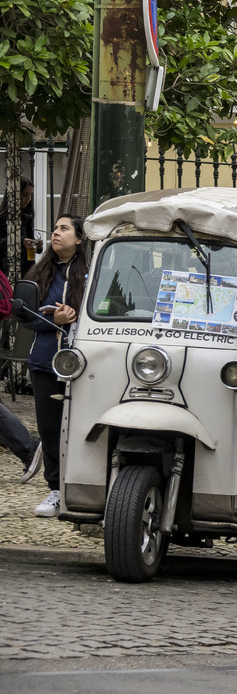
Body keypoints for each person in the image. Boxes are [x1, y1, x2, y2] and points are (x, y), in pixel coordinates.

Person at [21, 214, 86, 517]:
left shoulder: (93, 271)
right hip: (45, 361)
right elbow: (24, 315)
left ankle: (87, 488)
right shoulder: (40, 271)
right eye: (56, 229)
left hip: (83, 363)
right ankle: (56, 489)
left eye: (64, 229)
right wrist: (53, 320)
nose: (56, 233)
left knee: (82, 427)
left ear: (80, 238)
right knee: (50, 429)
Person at [0, 177, 34, 273]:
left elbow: (31, 242)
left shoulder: (27, 218)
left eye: (31, 195)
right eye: (25, 195)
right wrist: (21, 240)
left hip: (26, 269)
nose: (29, 199)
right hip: (6, 269)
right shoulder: (2, 218)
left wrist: (37, 245)